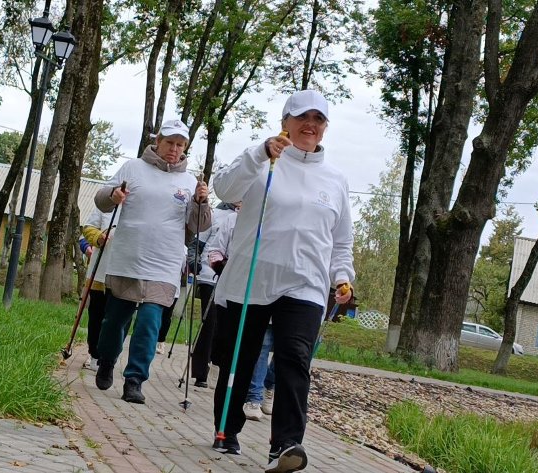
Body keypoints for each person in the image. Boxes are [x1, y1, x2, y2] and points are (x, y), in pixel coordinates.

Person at [209, 89, 354, 473]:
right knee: (241, 358)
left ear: (325, 128)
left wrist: (342, 276)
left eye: (318, 119)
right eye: (302, 117)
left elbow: (341, 241)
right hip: (252, 278)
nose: (310, 124)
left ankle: (286, 446)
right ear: (285, 122)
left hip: (305, 284)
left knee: (295, 359)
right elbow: (224, 189)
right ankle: (227, 428)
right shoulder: (262, 160)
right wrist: (260, 153)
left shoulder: (336, 179)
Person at [94, 119, 211, 404]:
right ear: (158, 141)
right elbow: (101, 201)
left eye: (180, 145)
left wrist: (202, 202)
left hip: (164, 263)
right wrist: (113, 195)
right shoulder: (132, 168)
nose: (174, 149)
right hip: (128, 258)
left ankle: (134, 380)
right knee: (114, 321)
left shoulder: (190, 182)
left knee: (149, 323)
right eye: (170, 142)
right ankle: (106, 360)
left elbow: (199, 227)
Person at [191, 202, 239, 388]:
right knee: (210, 321)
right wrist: (194, 262)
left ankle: (218, 364)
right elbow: (198, 242)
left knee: (224, 325)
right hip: (210, 275)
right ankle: (200, 371)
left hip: (235, 280)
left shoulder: (251, 216)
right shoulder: (215, 214)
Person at [80, 207, 119, 372]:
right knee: (96, 315)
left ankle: (109, 356)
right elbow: (87, 229)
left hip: (125, 272)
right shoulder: (106, 204)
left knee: (116, 319)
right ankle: (94, 353)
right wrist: (98, 237)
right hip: (100, 271)